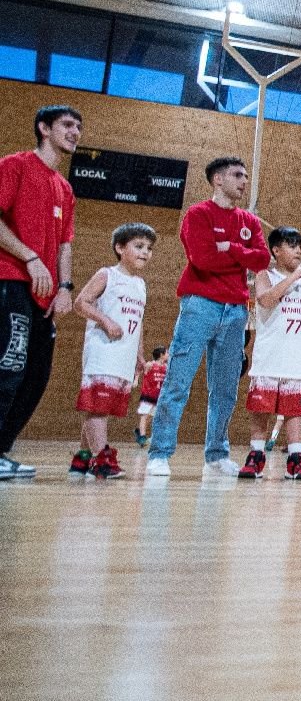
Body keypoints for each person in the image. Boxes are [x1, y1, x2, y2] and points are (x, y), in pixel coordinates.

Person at [147, 157, 270, 478]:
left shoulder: (250, 222)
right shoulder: (198, 214)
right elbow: (201, 259)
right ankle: (159, 454)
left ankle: (216, 455)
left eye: (246, 175)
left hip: (237, 311)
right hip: (200, 304)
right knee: (178, 381)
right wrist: (238, 255)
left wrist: (228, 246)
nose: (244, 181)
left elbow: (261, 260)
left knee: (226, 388)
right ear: (217, 179)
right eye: (237, 175)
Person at [0, 103, 81, 481]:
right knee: (8, 368)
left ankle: (2, 451)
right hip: (11, 281)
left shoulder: (64, 189)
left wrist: (65, 287)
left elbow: (65, 245)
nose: (75, 132)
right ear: (43, 128)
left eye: (78, 126)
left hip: (46, 296)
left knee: (36, 376)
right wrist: (30, 258)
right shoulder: (14, 166)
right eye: (67, 124)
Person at [240, 227, 301, 481]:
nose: (298, 252)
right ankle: (256, 454)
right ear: (276, 250)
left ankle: (296, 457)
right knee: (262, 407)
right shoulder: (265, 275)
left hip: (296, 355)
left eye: (300, 247)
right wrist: (293, 277)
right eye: (292, 246)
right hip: (270, 354)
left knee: (295, 409)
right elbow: (265, 300)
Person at [69, 223, 155, 478]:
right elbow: (80, 302)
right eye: (138, 246)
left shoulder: (140, 284)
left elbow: (138, 323)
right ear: (120, 248)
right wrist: (106, 321)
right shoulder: (107, 274)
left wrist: (139, 355)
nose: (145, 253)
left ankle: (82, 458)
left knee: (100, 407)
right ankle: (102, 458)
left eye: (149, 248)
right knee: (98, 407)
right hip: (103, 351)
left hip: (124, 355)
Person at [136, 346, 167, 447]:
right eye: (167, 353)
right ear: (161, 355)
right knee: (144, 415)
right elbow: (140, 369)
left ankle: (139, 431)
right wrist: (136, 380)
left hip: (158, 397)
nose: (168, 355)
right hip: (147, 395)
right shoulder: (150, 365)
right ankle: (142, 437)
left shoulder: (166, 367)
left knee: (150, 416)